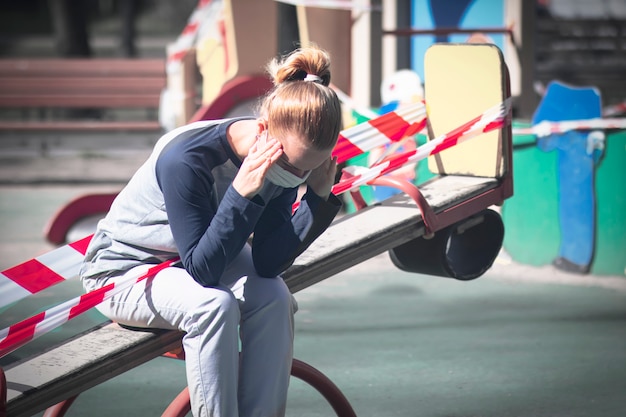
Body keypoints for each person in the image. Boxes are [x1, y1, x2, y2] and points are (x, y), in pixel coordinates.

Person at [80, 46, 343, 417]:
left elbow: (268, 262)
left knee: (274, 296)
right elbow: (204, 271)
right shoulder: (188, 160)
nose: (294, 177)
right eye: (290, 166)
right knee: (212, 306)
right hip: (125, 269)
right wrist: (241, 193)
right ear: (264, 130)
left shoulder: (285, 156)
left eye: (306, 170)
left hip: (196, 260)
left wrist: (316, 196)